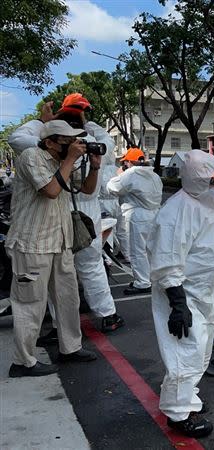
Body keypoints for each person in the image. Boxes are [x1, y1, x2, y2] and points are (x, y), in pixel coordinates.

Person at [8, 95, 124, 336]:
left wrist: (41, 121)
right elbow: (107, 145)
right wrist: (90, 127)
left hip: (60, 212)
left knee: (57, 274)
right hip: (82, 211)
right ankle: (107, 314)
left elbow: (16, 138)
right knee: (89, 266)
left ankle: (59, 325)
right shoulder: (85, 140)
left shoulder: (47, 144)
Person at [148, 150, 214, 438]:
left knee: (200, 352)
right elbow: (167, 259)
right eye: (212, 180)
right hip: (183, 294)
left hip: (208, 293)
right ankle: (178, 414)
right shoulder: (177, 211)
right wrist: (178, 303)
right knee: (185, 353)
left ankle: (187, 400)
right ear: (196, 180)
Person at [6, 120, 99, 377]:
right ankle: (23, 362)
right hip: (32, 243)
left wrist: (94, 167)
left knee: (68, 299)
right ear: (49, 142)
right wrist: (69, 159)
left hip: (60, 242)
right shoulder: (31, 157)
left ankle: (70, 348)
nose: (73, 145)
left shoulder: (64, 161)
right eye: (66, 141)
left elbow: (87, 190)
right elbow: (50, 190)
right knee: (30, 303)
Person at [108, 148, 163, 295]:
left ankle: (142, 282)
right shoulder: (154, 175)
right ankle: (150, 278)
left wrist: (120, 175)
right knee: (151, 250)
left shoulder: (131, 174)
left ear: (128, 162)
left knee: (137, 251)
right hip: (154, 214)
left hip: (137, 216)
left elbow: (111, 187)